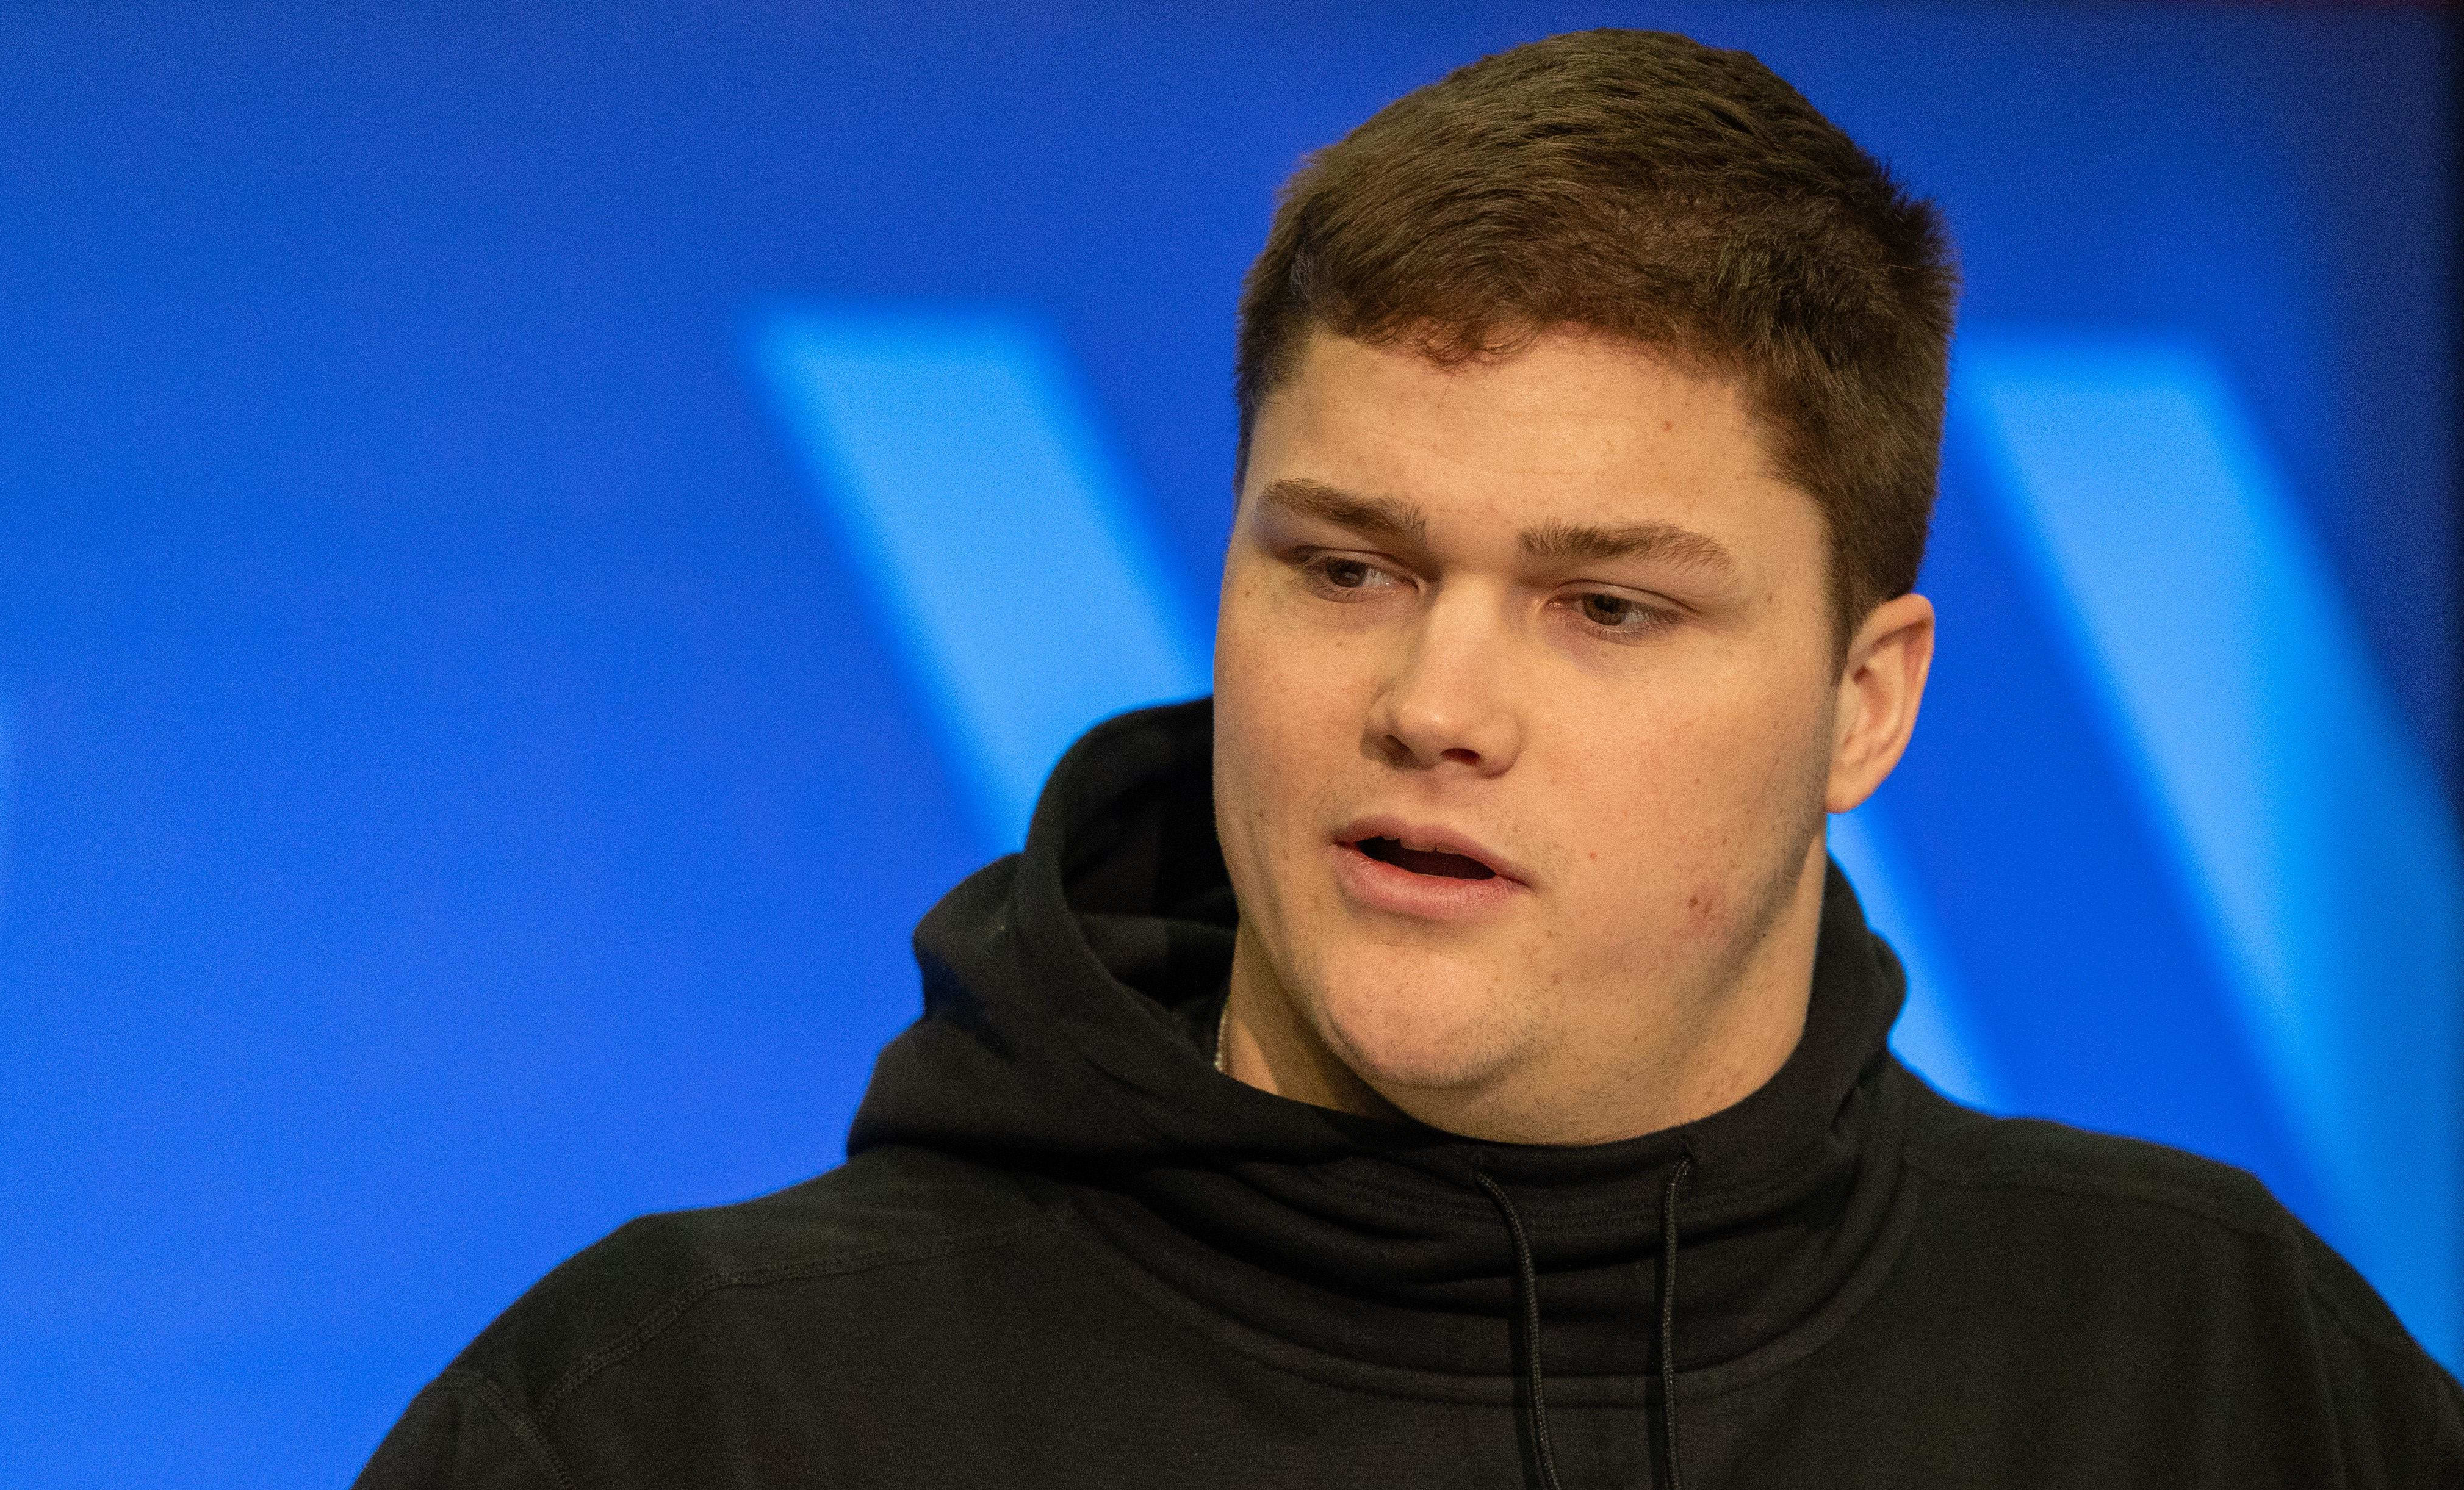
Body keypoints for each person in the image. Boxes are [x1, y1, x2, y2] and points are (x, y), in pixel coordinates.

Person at [356, 29, 2463, 1488]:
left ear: (1867, 702)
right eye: (1348, 566)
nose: (1435, 700)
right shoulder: (694, 1413)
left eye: (1605, 604)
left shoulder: (2217, 1374)